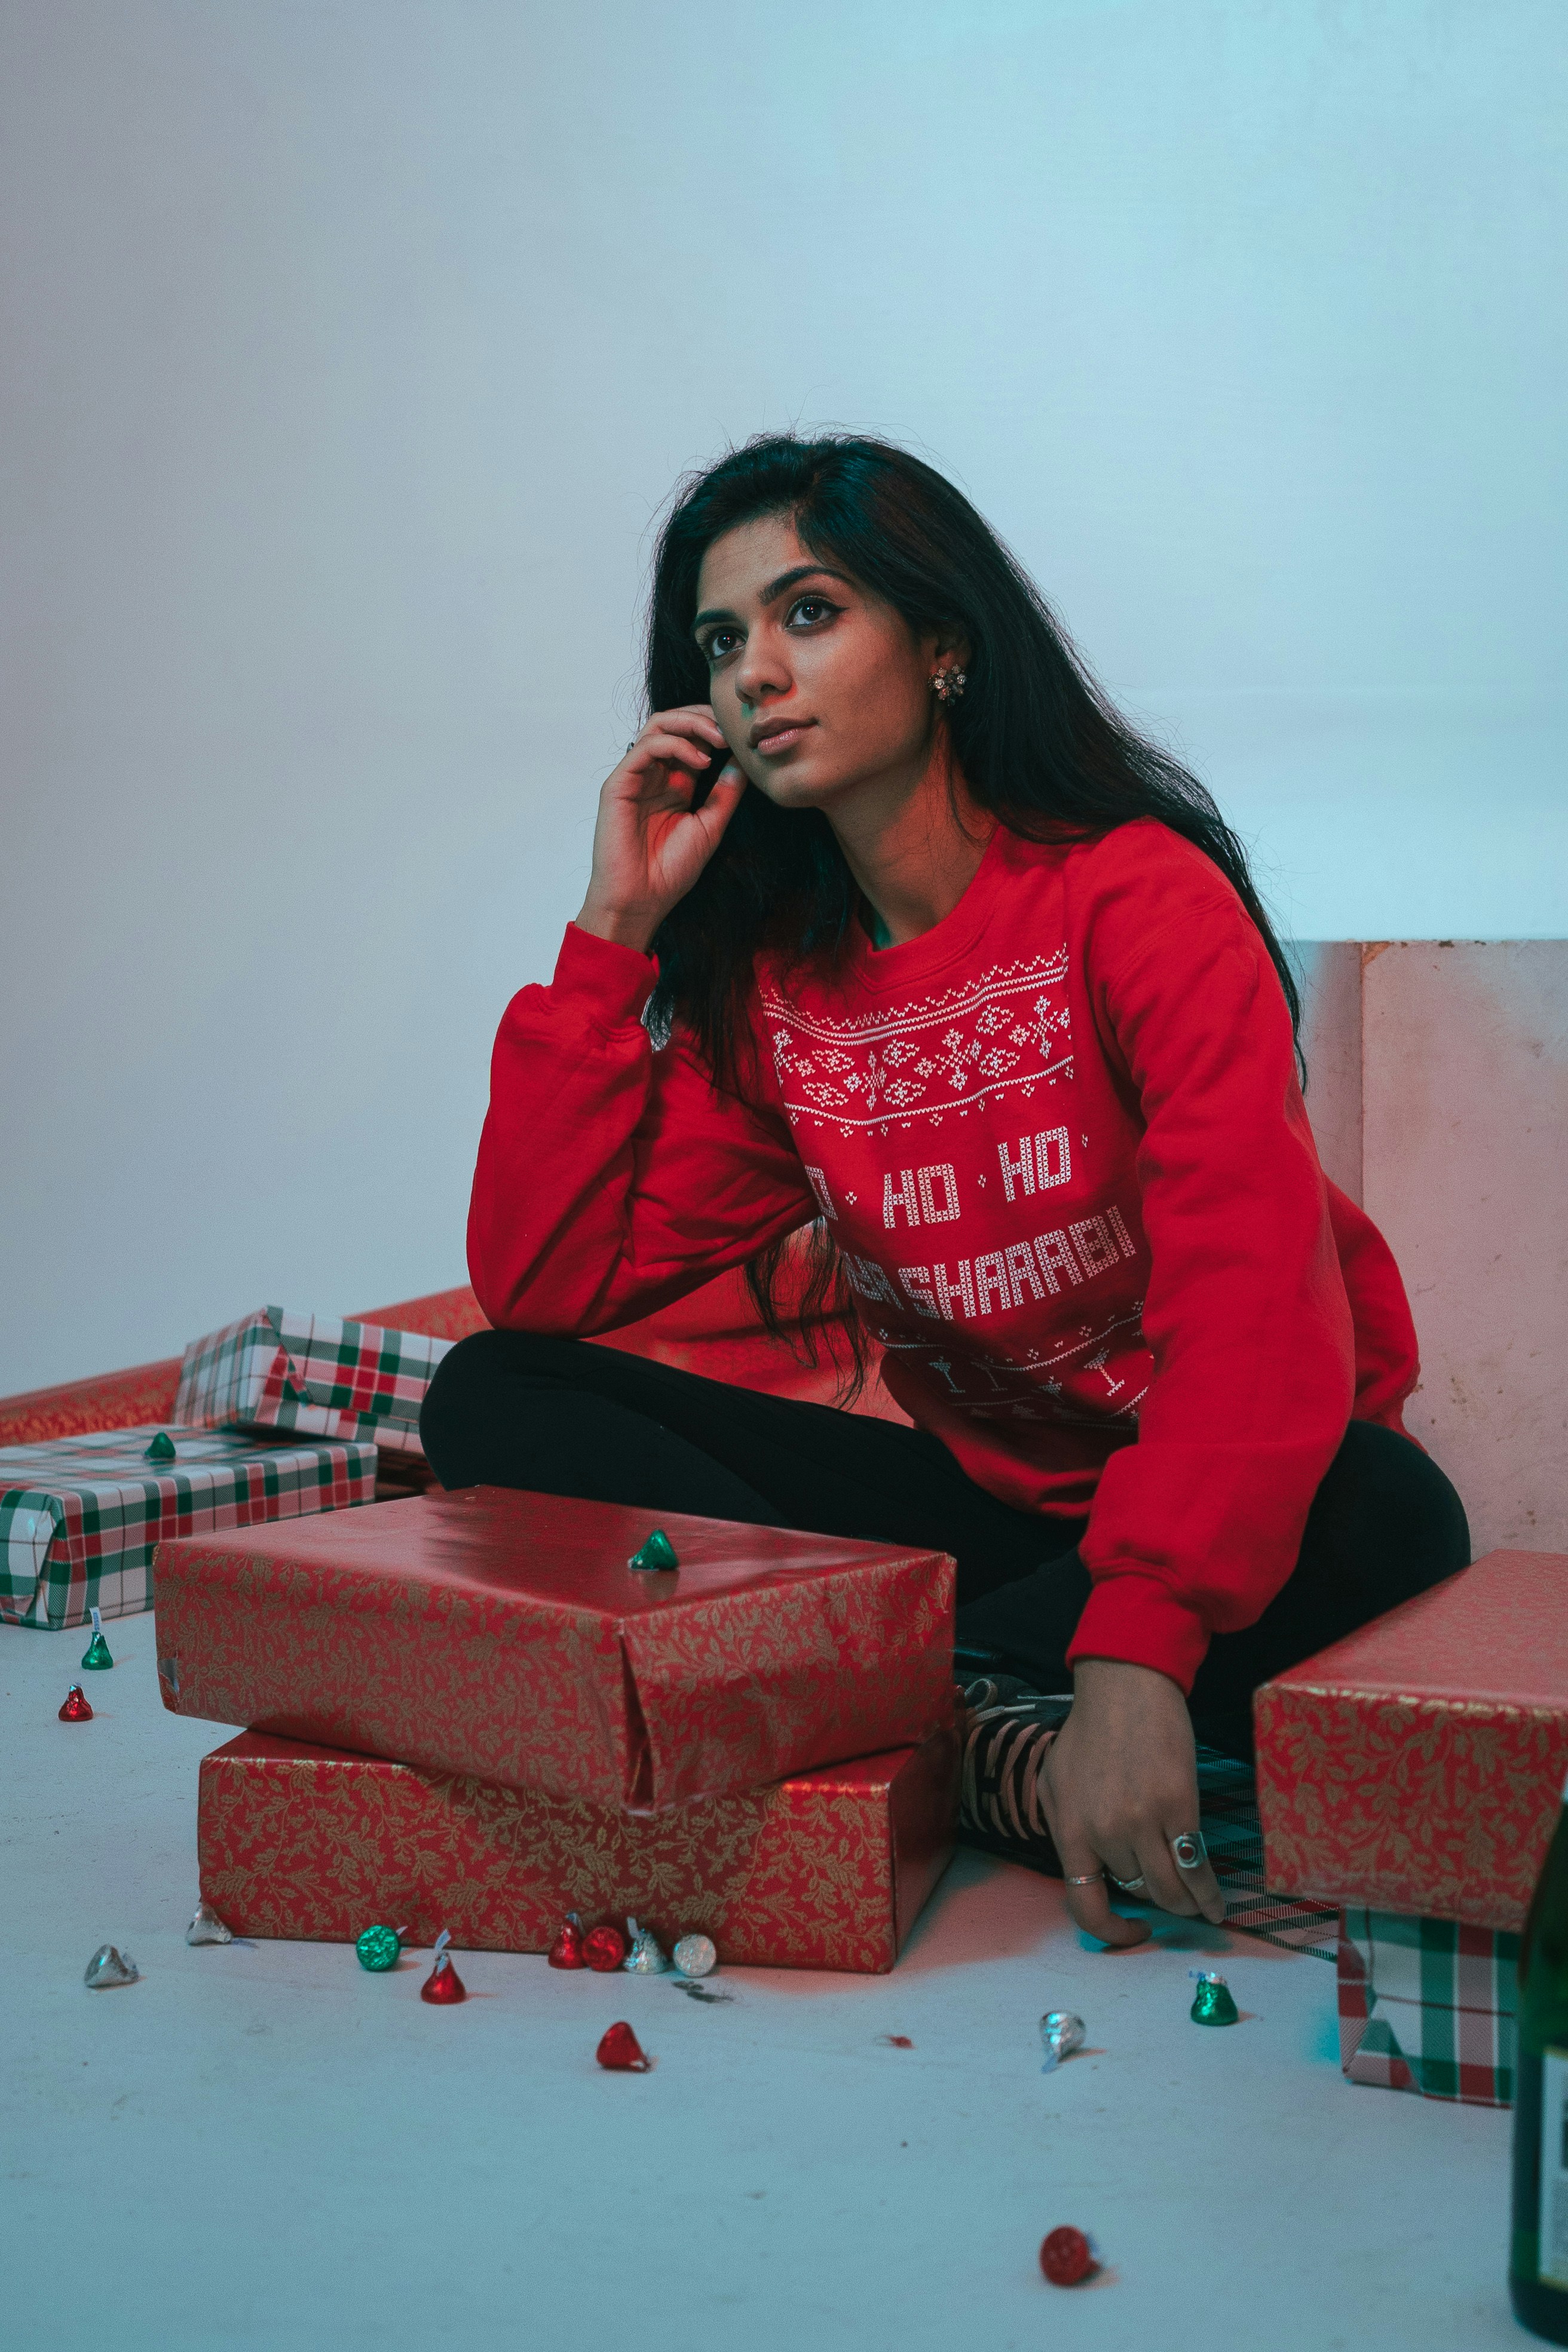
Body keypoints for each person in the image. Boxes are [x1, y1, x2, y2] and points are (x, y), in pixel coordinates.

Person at [421, 432, 1469, 1953]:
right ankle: (953, 1713)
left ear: (941, 644)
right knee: (495, 1390)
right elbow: (550, 1285)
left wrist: (1134, 1657)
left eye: (807, 612)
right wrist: (612, 935)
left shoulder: (1134, 899)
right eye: (718, 642)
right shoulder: (781, 988)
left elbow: (1254, 1311)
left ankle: (875, 1707)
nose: (754, 673)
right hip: (996, 1532)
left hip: (1227, 1509)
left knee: (1391, 1511)